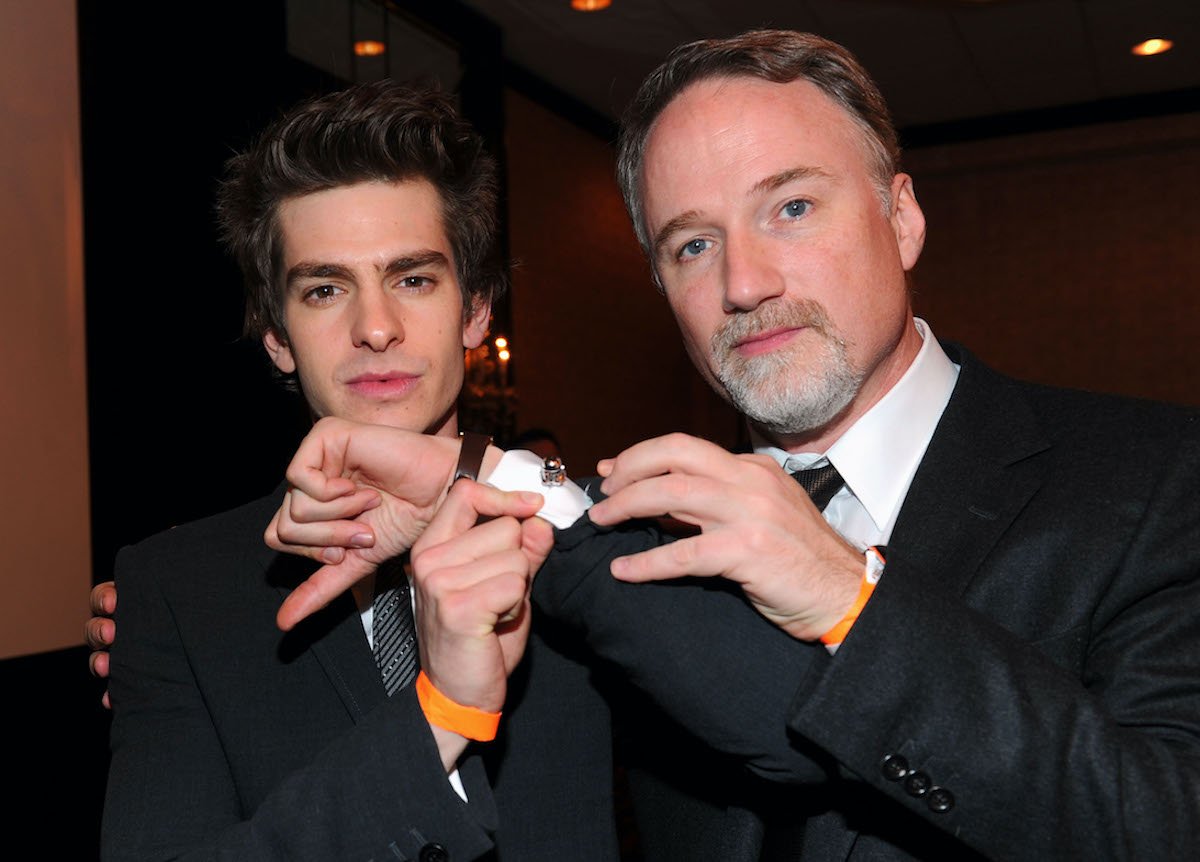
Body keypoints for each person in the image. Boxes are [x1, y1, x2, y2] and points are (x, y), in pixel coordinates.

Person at [222, 29, 1200, 861]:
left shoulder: (1154, 478)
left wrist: (849, 601)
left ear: (901, 216)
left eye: (791, 207)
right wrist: (189, 610)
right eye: (691, 243)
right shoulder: (638, 531)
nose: (743, 281)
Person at [97, 80, 623, 861]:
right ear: (276, 336)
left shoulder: (600, 541)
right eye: (324, 288)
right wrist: (439, 718)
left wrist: (534, 496)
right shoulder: (176, 592)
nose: (374, 327)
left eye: (412, 279)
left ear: (477, 308)